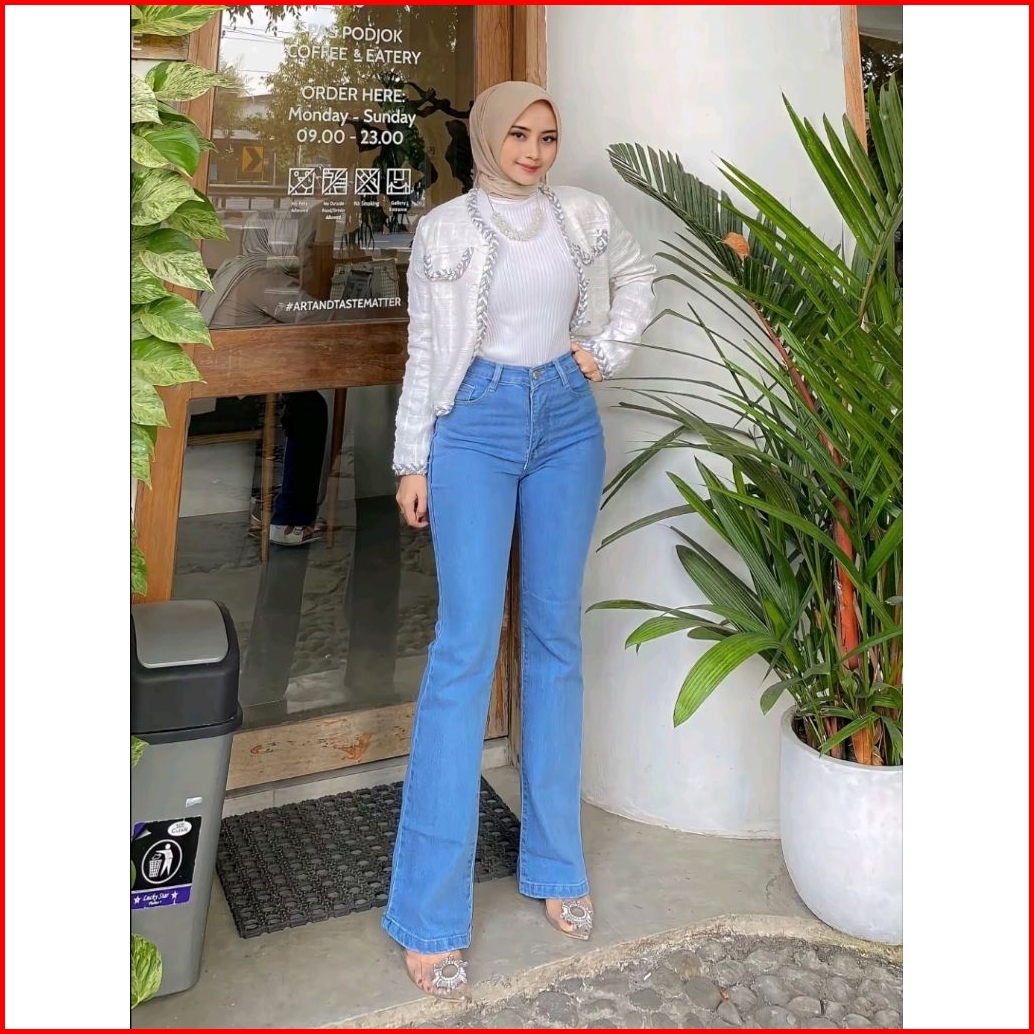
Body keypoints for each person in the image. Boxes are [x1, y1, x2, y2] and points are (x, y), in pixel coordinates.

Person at [384, 80, 656, 1000]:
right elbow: (425, 350)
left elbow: (640, 277)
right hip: (475, 424)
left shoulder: (582, 214)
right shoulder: (444, 231)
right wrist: (412, 459)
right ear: (488, 139)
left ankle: (555, 861)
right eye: (520, 136)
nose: (535, 152)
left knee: (554, 639)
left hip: (567, 421)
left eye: (548, 136)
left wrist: (606, 350)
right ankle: (428, 913)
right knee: (464, 649)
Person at [198, 207, 330, 546]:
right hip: (235, 400)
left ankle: (267, 510)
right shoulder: (263, 279)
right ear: (285, 243)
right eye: (305, 243)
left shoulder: (235, 268)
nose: (308, 251)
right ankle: (288, 522)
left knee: (298, 402)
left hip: (219, 390)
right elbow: (319, 318)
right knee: (307, 407)